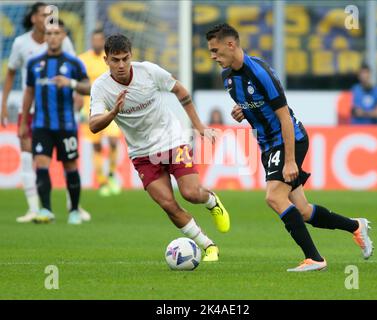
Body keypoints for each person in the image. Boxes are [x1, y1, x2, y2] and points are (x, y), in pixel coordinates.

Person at [206, 23, 373, 272]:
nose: (212, 56)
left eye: (216, 50)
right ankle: (355, 226)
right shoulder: (227, 77)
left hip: (288, 140)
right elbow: (255, 106)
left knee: (274, 197)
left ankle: (315, 259)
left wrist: (291, 160)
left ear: (231, 45)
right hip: (267, 145)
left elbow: (284, 117)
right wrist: (242, 112)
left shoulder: (261, 73)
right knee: (303, 210)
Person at [89, 34, 230, 261]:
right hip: (142, 154)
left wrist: (199, 126)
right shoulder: (101, 87)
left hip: (173, 141)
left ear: (131, 56)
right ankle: (208, 246)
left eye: (125, 59)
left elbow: (181, 91)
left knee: (191, 193)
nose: (122, 65)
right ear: (106, 60)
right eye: (115, 60)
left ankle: (211, 201)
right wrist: (113, 113)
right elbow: (93, 125)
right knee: (168, 204)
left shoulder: (148, 72)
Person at [1, 2, 90, 222]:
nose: (52, 37)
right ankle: (42, 209)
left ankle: (74, 209)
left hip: (66, 120)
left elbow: (85, 83)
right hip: (38, 119)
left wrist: (72, 88)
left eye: (56, 33)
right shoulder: (31, 58)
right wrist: (15, 115)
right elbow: (25, 87)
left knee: (69, 164)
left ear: (63, 35)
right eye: (49, 33)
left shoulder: (71, 59)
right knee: (37, 161)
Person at [79, 29, 122, 197]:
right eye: (94, 40)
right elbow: (78, 85)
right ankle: (102, 180)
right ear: (91, 41)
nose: (97, 43)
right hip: (88, 109)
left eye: (99, 40)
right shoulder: (82, 60)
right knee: (96, 146)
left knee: (112, 141)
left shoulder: (110, 59)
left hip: (108, 107)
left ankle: (111, 174)